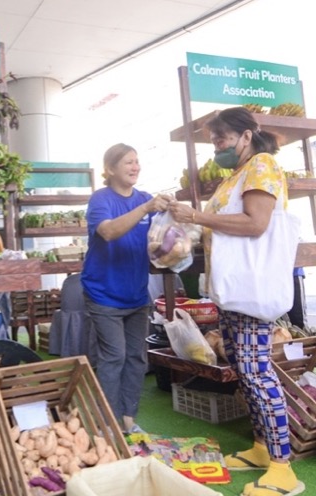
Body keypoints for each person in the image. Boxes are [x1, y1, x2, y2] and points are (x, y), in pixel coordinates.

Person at [168, 107, 304, 496]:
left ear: (246, 136)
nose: (216, 147)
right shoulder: (237, 175)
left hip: (252, 290)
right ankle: (261, 447)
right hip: (233, 290)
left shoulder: (262, 165)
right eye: (213, 140)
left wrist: (197, 216)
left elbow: (256, 223)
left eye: (221, 138)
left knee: (257, 373)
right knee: (244, 371)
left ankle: (283, 469)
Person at [81, 143, 172, 435]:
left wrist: (176, 221)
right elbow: (108, 232)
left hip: (136, 293)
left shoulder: (145, 198)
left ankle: (128, 420)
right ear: (110, 169)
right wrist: (145, 208)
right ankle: (107, 424)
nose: (135, 167)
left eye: (137, 161)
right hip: (103, 294)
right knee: (114, 357)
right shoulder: (101, 199)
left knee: (136, 357)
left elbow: (161, 236)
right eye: (128, 162)